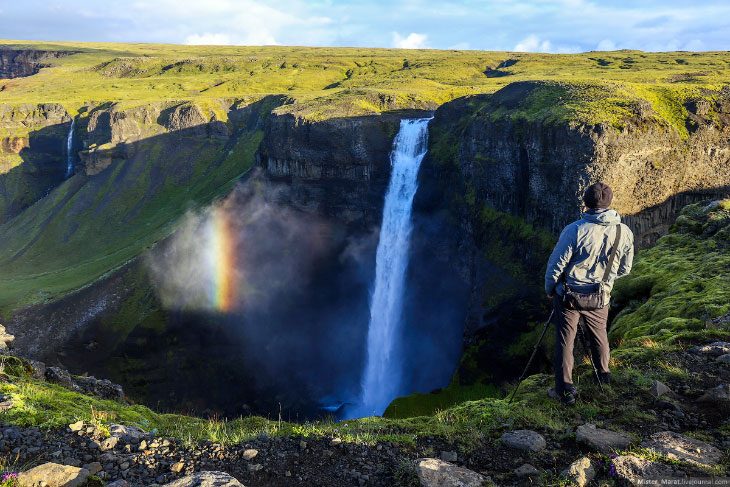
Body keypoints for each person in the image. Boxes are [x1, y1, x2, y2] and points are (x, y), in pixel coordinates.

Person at [544, 182, 634, 405]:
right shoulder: (624, 231)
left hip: (569, 297)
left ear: (585, 202)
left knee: (566, 341)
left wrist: (549, 289)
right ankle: (603, 377)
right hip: (600, 296)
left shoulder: (575, 230)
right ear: (609, 202)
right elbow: (625, 268)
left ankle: (565, 390)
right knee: (599, 336)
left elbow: (556, 265)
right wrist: (605, 280)